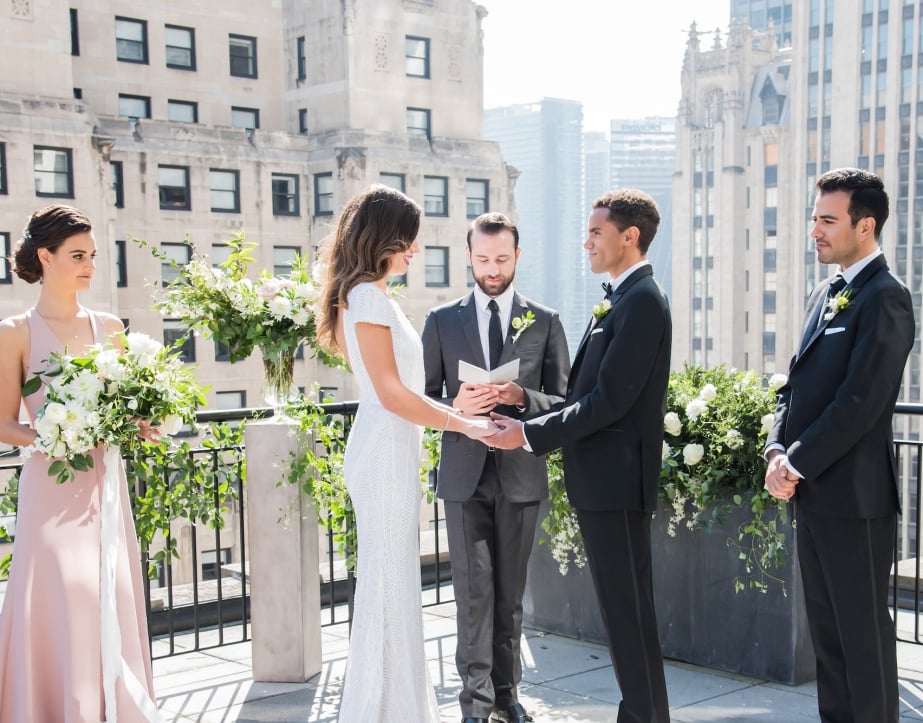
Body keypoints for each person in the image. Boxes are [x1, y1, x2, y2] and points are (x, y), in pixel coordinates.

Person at [487, 190, 672, 723]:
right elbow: (580, 397)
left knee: (628, 616)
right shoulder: (619, 296)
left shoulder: (641, 300)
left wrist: (524, 438)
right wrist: (523, 412)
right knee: (623, 617)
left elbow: (609, 401)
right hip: (602, 483)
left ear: (629, 236)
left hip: (617, 485)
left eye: (596, 232)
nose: (586, 241)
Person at [314, 185, 495, 722]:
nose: (414, 251)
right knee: (387, 583)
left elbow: (397, 389)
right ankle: (380, 710)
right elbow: (390, 395)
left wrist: (453, 405)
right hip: (383, 455)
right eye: (407, 241)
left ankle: (397, 706)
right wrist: (463, 423)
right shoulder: (367, 297)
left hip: (392, 450)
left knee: (392, 581)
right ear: (381, 239)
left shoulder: (371, 295)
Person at [764, 168, 914, 723]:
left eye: (828, 220)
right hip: (813, 494)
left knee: (863, 643)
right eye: (814, 218)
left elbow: (860, 404)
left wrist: (795, 462)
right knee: (828, 641)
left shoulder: (886, 299)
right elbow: (795, 384)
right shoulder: (824, 292)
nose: (815, 231)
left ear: (866, 225)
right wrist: (776, 452)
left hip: (856, 503)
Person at [0, 205, 161, 722]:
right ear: (44, 257)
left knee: (105, 596)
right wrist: (53, 436)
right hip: (49, 485)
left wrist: (138, 424)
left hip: (102, 486)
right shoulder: (14, 332)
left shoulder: (109, 326)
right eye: (77, 256)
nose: (90, 265)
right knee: (58, 601)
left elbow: (124, 406)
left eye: (92, 255)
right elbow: (3, 420)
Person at [421, 213, 570, 723]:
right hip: (463, 477)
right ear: (468, 256)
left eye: (501, 259)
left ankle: (507, 699)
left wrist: (519, 395)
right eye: (483, 259)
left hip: (521, 478)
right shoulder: (441, 321)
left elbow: (565, 402)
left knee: (509, 599)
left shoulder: (545, 320)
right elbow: (422, 399)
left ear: (517, 257)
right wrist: (455, 402)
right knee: (472, 595)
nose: (492, 269)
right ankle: (475, 707)